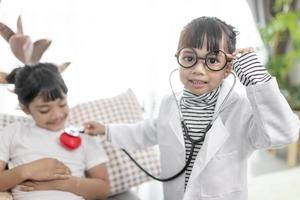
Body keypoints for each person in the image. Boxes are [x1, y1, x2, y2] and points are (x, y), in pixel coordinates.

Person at [83, 16, 299, 200]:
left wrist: (256, 78)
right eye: (189, 58)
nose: (197, 69)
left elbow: (284, 133)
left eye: (212, 60)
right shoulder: (170, 103)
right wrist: (107, 130)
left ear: (227, 69)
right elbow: (147, 131)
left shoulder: (240, 110)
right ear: (178, 58)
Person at [0, 63, 110, 200]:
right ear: (26, 109)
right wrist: (27, 171)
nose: (57, 115)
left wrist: (62, 183)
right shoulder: (13, 132)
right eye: (44, 110)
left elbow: (103, 189)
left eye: (62, 104)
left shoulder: (84, 137)